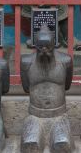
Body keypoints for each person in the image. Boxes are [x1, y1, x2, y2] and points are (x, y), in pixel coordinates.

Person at [20, 23, 74, 152]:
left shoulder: (65, 61)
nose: (44, 50)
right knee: (30, 144)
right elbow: (26, 88)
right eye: (41, 47)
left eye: (48, 47)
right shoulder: (26, 62)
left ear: (54, 44)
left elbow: (66, 86)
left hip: (59, 114)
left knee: (62, 145)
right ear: (35, 46)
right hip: (35, 115)